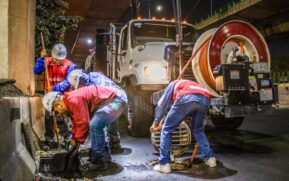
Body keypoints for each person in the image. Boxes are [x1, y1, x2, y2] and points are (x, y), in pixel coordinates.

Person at [42, 85, 126, 171]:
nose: (59, 113)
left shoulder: (73, 100)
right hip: (115, 100)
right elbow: (77, 121)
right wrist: (74, 138)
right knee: (98, 124)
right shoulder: (70, 101)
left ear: (58, 105)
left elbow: (83, 122)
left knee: (95, 125)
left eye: (56, 111)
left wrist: (77, 140)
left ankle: (99, 161)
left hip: (118, 102)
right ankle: (104, 156)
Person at [150, 79, 216, 174]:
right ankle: (210, 159)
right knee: (197, 129)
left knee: (166, 129)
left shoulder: (172, 84)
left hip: (186, 97)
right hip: (205, 99)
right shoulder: (190, 83)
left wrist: (155, 122)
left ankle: (164, 164)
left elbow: (162, 104)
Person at [68, 69, 127, 151]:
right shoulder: (94, 75)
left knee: (99, 123)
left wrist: (76, 137)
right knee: (113, 118)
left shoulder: (90, 87)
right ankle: (115, 144)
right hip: (120, 98)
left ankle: (103, 150)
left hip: (115, 100)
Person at [34, 43, 75, 139]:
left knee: (64, 115)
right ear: (52, 56)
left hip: (64, 94)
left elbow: (68, 82)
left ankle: (67, 136)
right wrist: (41, 59)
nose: (58, 62)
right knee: (48, 116)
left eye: (60, 60)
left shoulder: (70, 65)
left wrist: (54, 88)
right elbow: (37, 71)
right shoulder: (46, 61)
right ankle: (49, 137)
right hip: (49, 95)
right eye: (56, 59)